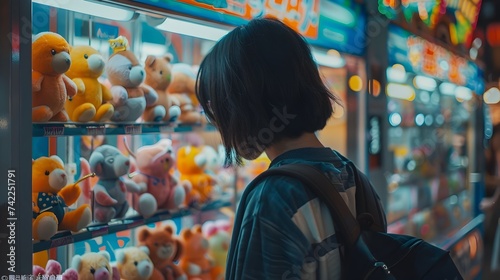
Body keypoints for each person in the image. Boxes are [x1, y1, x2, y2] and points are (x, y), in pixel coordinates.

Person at [196, 17, 385, 279]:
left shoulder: (274, 198)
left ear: (247, 103)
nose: (219, 123)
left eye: (218, 107)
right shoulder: (355, 178)